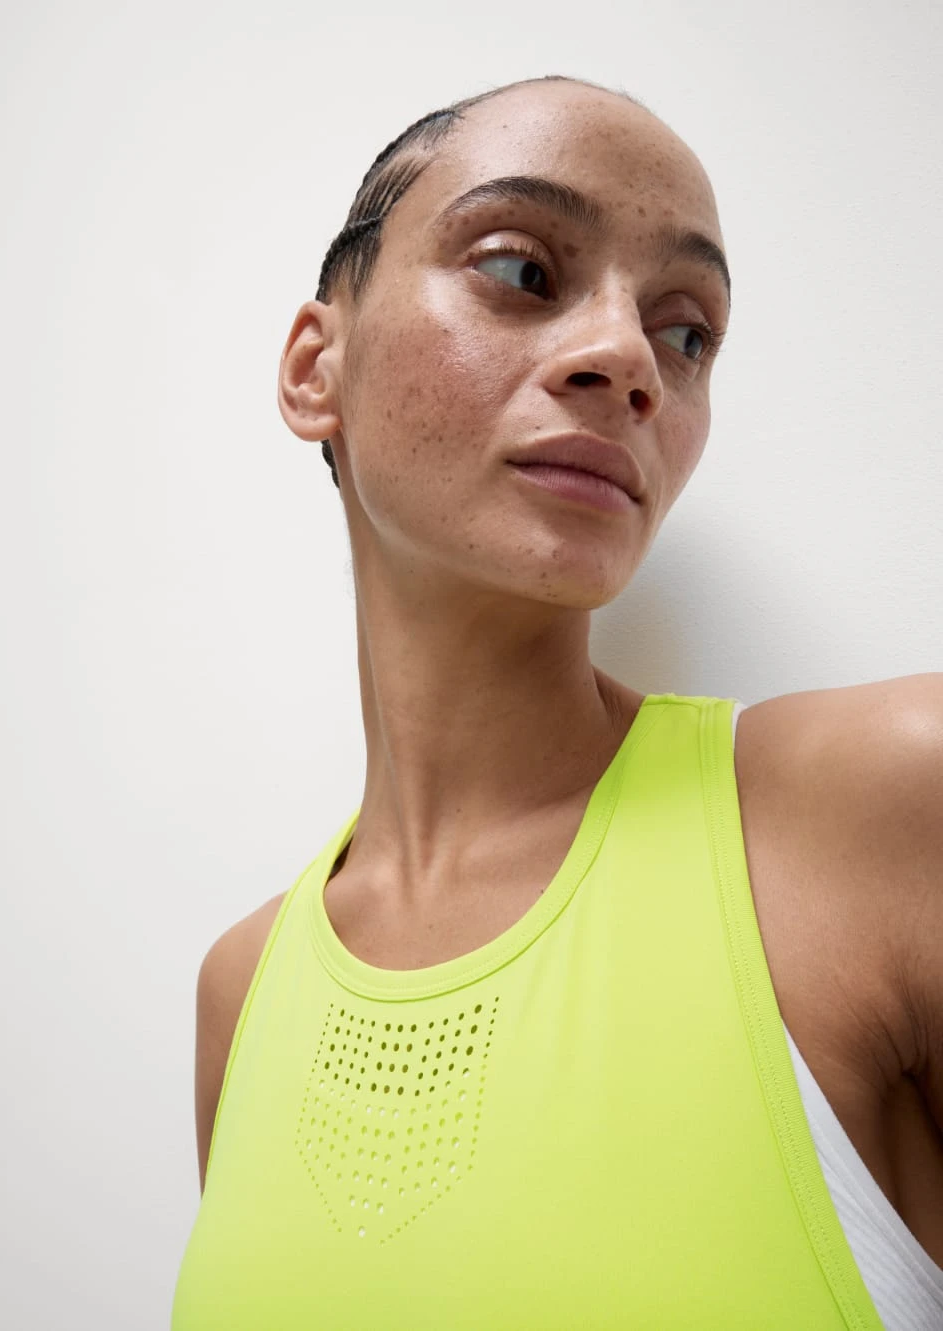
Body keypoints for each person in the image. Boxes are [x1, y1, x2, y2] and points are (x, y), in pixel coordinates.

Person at [171, 75, 943, 1329]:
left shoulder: (885, 806)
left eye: (686, 333)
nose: (630, 359)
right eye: (521, 270)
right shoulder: (242, 992)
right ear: (317, 366)